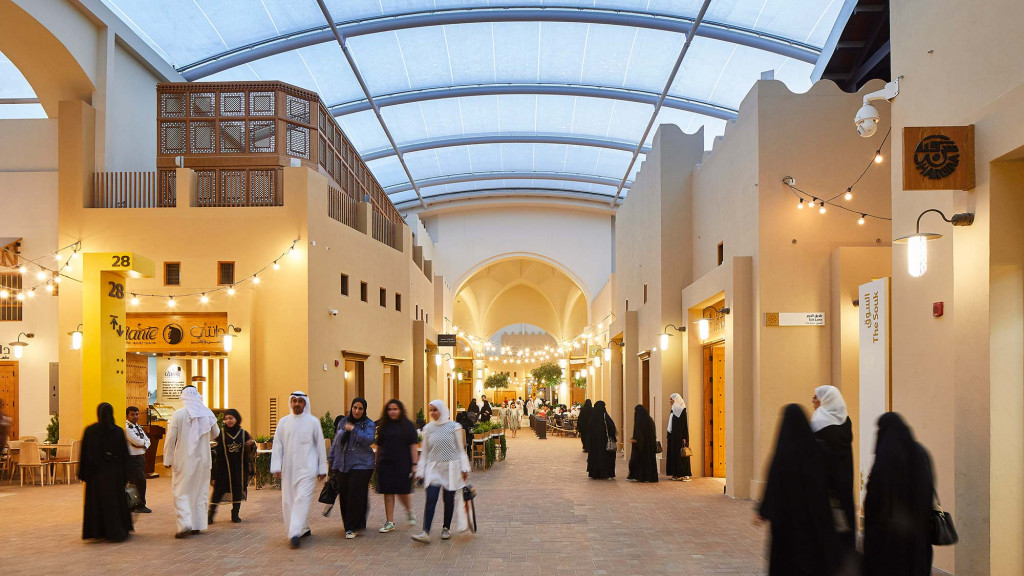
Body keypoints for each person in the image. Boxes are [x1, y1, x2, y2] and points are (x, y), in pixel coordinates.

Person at [755, 404, 837, 576]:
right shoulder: (817, 452)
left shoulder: (782, 455)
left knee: (785, 564)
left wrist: (763, 512)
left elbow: (773, 487)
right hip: (812, 523)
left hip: (786, 525)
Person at [863, 413, 935, 576]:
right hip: (917, 539)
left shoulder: (885, 461)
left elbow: (874, 504)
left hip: (889, 543)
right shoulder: (921, 455)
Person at [271, 391, 328, 549]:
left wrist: (322, 467)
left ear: (305, 403)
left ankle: (294, 533)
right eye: (294, 401)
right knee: (289, 502)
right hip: (289, 470)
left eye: (300, 401)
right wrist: (276, 465)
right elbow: (277, 445)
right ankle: (303, 528)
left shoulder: (313, 422)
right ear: (290, 402)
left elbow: (320, 446)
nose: (296, 404)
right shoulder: (283, 422)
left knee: (301, 498)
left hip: (308, 470)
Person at [163, 385, 219, 538]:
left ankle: (185, 524)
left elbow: (171, 438)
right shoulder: (207, 414)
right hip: (204, 460)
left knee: (181, 492)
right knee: (200, 492)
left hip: (184, 459)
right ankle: (198, 525)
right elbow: (216, 433)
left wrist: (167, 459)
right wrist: (203, 438)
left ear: (183, 397)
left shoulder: (178, 415)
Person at [411, 400, 471, 543]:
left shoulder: (454, 427)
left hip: (451, 468)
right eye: (431, 410)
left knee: (448, 499)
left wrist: (464, 467)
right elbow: (424, 452)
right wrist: (420, 469)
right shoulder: (428, 428)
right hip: (434, 469)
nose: (432, 413)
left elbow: (460, 449)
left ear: (442, 410)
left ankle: (446, 527)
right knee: (431, 498)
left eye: (435, 410)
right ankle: (425, 531)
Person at [810, 385, 855, 551]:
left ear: (825, 399)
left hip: (826, 482)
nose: (813, 400)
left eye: (816, 397)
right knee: (844, 516)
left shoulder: (819, 421)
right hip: (844, 478)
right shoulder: (845, 420)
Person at [79, 403, 133, 542]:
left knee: (96, 503)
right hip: (114, 476)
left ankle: (97, 531)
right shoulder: (118, 432)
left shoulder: (90, 431)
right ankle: (115, 530)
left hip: (95, 476)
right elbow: (124, 455)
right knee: (114, 504)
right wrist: (126, 475)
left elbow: (84, 454)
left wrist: (83, 473)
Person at [329, 397, 376, 539]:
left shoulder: (368, 424)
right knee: (344, 495)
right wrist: (331, 461)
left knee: (356, 493)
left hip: (362, 464)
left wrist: (354, 429)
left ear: (364, 410)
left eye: (360, 408)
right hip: (343, 464)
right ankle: (352, 523)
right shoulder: (343, 421)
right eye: (355, 407)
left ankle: (352, 526)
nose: (356, 411)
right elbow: (337, 442)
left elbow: (369, 440)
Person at [375, 399, 419, 533]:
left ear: (400, 410)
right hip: (386, 463)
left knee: (402, 491)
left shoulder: (408, 425)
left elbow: (413, 446)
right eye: (390, 409)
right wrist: (376, 463)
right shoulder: (383, 426)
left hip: (403, 463)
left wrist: (414, 464)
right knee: (388, 492)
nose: (392, 412)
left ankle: (409, 510)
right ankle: (390, 521)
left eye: (395, 409)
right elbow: (379, 446)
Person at [209, 408, 255, 524]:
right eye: (226, 418)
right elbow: (216, 450)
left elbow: (251, 450)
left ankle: (235, 514)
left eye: (231, 418)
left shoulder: (243, 433)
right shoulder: (221, 433)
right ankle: (210, 515)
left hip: (238, 469)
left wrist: (250, 445)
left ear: (237, 419)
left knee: (237, 490)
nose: (228, 421)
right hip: (223, 469)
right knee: (218, 492)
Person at [124, 405, 152, 513]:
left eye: (137, 414)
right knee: (140, 482)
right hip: (132, 459)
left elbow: (147, 440)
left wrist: (143, 444)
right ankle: (140, 504)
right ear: (127, 415)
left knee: (135, 482)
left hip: (140, 457)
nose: (135, 416)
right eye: (132, 414)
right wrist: (143, 443)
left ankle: (132, 505)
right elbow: (137, 441)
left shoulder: (137, 426)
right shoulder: (127, 428)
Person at [627, 404, 659, 483]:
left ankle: (639, 476)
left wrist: (636, 440)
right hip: (649, 446)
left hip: (641, 446)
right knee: (648, 462)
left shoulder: (639, 421)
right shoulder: (649, 420)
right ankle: (649, 476)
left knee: (637, 461)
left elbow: (639, 434)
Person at [586, 400, 616, 479]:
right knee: (605, 457)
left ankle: (595, 473)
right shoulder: (605, 417)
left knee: (596, 457)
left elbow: (589, 432)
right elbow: (612, 428)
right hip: (604, 442)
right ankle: (605, 473)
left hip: (594, 444)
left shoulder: (593, 418)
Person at [666, 393, 692, 481]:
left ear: (676, 400)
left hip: (680, 437)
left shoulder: (682, 410)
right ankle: (677, 474)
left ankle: (686, 474)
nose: (670, 401)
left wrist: (684, 438)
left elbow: (684, 426)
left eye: (671, 400)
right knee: (675, 455)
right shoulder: (673, 410)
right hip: (673, 437)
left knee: (682, 455)